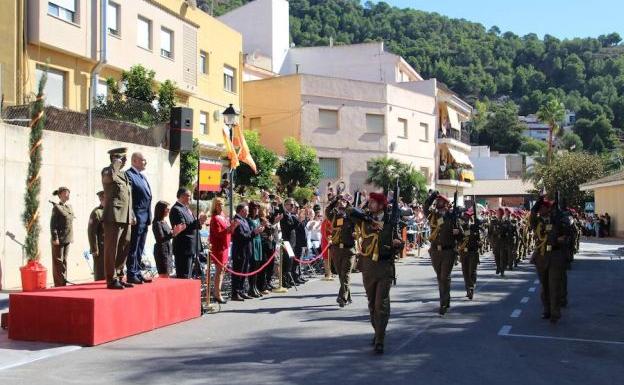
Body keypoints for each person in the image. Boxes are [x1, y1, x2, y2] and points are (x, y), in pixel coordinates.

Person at [354, 192, 404, 354]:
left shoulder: (390, 220)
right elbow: (350, 212)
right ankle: (378, 332)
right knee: (371, 304)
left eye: (374, 202)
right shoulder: (365, 218)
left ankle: (380, 339)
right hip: (368, 266)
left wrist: (398, 244)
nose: (370, 204)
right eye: (369, 202)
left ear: (381, 205)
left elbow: (400, 241)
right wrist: (367, 216)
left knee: (380, 304)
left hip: (384, 266)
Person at [529, 196, 572, 324]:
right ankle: (547, 310)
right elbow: (531, 216)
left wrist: (559, 218)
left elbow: (567, 231)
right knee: (545, 286)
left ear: (548, 209)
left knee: (554, 286)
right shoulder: (538, 222)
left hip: (555, 256)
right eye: (540, 208)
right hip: (542, 256)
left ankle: (555, 313)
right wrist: (537, 203)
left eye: (543, 207)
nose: (541, 210)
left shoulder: (556, 220)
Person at [424, 191, 463, 315]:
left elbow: (461, 236)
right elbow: (425, 207)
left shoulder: (452, 217)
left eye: (441, 201)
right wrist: (432, 196)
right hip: (435, 251)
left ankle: (443, 303)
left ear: (446, 204)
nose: (438, 203)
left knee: (444, 277)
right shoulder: (433, 216)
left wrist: (458, 233)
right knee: (440, 277)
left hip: (448, 251)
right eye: (438, 201)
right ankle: (446, 298)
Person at [102, 148, 135, 289]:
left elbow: (128, 197)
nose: (125, 161)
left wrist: (131, 214)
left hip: (125, 216)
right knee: (112, 249)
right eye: (122, 158)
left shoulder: (124, 175)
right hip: (113, 216)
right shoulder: (108, 171)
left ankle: (120, 276)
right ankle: (111, 279)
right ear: (114, 159)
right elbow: (109, 178)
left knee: (124, 247)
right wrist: (115, 163)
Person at [125, 152, 153, 284]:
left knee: (140, 247)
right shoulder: (129, 175)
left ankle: (137, 271)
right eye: (143, 160)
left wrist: (149, 215)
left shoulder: (142, 176)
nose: (145, 162)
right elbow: (128, 198)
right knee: (133, 246)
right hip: (136, 216)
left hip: (145, 217)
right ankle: (131, 273)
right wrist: (131, 215)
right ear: (135, 160)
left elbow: (148, 197)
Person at [325, 194, 357, 307]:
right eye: (340, 201)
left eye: (344, 201)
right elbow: (327, 210)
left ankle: (342, 297)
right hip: (336, 249)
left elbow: (359, 228)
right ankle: (348, 296)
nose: (341, 202)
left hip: (349, 250)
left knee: (346, 274)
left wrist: (356, 234)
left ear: (348, 203)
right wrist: (335, 199)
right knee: (341, 275)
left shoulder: (352, 215)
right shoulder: (334, 215)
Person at [169, 188, 208, 279]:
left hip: (190, 247)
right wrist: (198, 222)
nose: (191, 198)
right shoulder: (176, 209)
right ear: (182, 196)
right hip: (183, 247)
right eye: (189, 195)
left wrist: (199, 222)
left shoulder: (186, 208)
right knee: (184, 275)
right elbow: (182, 227)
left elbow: (192, 224)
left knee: (188, 275)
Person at [231, 203, 263, 301]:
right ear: (242, 211)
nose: (248, 212)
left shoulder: (243, 220)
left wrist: (255, 231)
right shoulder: (236, 220)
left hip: (246, 250)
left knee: (244, 271)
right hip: (239, 251)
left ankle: (241, 290)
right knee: (238, 272)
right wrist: (254, 232)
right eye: (246, 210)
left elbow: (247, 233)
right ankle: (235, 293)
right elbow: (242, 236)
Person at [209, 197, 236, 303]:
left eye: (222, 204)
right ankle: (217, 293)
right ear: (215, 205)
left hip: (225, 246)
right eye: (218, 204)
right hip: (219, 247)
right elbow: (218, 234)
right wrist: (229, 229)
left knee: (223, 270)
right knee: (219, 270)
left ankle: (217, 292)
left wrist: (232, 227)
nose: (221, 206)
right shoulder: (215, 218)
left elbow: (229, 231)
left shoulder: (223, 216)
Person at [152, 201, 186, 278]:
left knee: (167, 273)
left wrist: (176, 231)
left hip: (167, 249)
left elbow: (168, 234)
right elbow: (160, 238)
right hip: (161, 251)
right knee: (164, 274)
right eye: (167, 209)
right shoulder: (157, 223)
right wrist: (173, 233)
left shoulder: (164, 221)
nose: (168, 211)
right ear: (161, 209)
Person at [50, 187, 75, 287]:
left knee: (64, 260)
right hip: (59, 239)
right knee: (58, 261)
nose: (67, 195)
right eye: (65, 193)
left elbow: (69, 223)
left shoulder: (69, 207)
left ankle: (63, 280)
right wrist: (55, 237)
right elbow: (53, 224)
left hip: (67, 238)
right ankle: (58, 283)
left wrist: (71, 237)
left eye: (68, 193)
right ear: (60, 195)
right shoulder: (56, 207)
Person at [458, 208, 481, 300]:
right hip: (464, 252)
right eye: (465, 216)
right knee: (465, 272)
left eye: (468, 216)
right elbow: (461, 236)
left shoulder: (475, 226)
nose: (466, 218)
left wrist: (479, 239)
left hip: (473, 252)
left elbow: (480, 238)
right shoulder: (462, 226)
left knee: (472, 271)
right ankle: (468, 288)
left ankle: (471, 287)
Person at [247, 201, 265, 298]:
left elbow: (259, 230)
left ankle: (255, 286)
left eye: (258, 208)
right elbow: (250, 231)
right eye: (255, 208)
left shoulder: (257, 219)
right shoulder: (248, 219)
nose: (257, 210)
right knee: (253, 266)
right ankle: (251, 288)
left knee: (257, 266)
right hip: (253, 243)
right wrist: (256, 231)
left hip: (258, 242)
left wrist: (261, 229)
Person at [87, 191, 106, 281]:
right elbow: (91, 232)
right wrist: (94, 249)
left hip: (109, 246)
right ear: (101, 199)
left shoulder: (110, 211)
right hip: (100, 247)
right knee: (100, 271)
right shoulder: (96, 212)